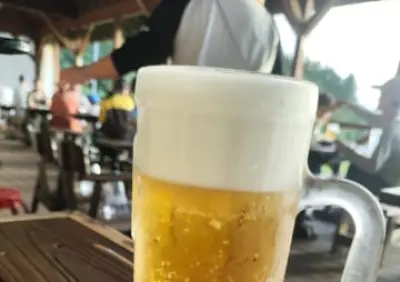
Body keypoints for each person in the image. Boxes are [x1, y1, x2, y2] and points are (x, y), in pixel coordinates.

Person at [60, 0, 282, 85]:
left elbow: (141, 51)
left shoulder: (186, 4)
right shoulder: (269, 26)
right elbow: (279, 86)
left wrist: (83, 72)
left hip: (192, 129)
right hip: (246, 145)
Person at [336, 77, 400, 195]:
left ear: (393, 101)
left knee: (353, 169)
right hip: (390, 183)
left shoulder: (391, 128)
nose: (379, 99)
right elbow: (371, 117)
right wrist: (349, 105)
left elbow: (373, 166)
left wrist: (346, 150)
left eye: (383, 95)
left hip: (384, 186)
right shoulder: (394, 122)